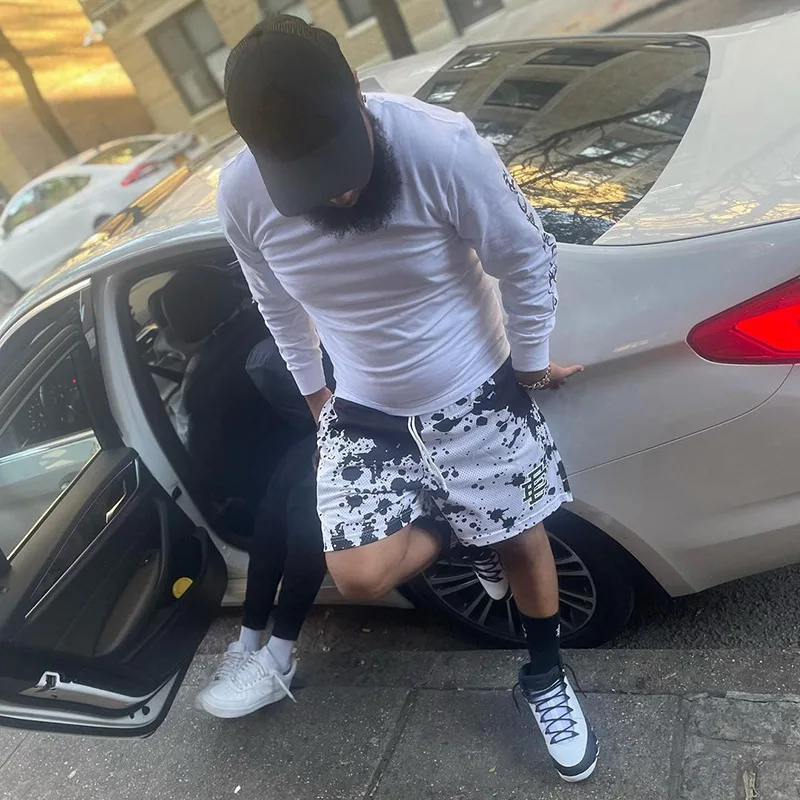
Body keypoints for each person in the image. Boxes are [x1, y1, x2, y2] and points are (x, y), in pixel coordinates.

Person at [217, 15, 598, 781]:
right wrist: (316, 396)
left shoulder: (440, 146)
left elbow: (526, 257)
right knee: (358, 572)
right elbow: (277, 306)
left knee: (523, 539)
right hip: (363, 407)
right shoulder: (241, 195)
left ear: (359, 94)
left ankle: (545, 675)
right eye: (310, 176)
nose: (341, 188)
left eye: (341, 161)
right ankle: (466, 523)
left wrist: (528, 368)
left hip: (474, 385)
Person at [195, 336, 332, 718]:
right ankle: (249, 641)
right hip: (342, 409)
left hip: (383, 413)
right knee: (275, 503)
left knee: (309, 502)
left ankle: (279, 657)